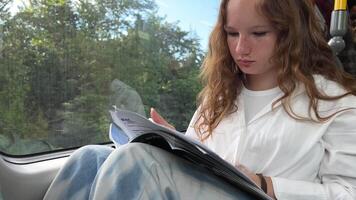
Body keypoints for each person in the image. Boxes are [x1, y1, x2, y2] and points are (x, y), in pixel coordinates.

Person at [44, 0, 356, 199]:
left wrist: (267, 184)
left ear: (291, 36)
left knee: (134, 161)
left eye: (258, 33)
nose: (241, 48)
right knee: (89, 158)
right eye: (232, 34)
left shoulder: (335, 103)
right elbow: (202, 158)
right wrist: (172, 141)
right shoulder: (219, 97)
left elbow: (348, 192)